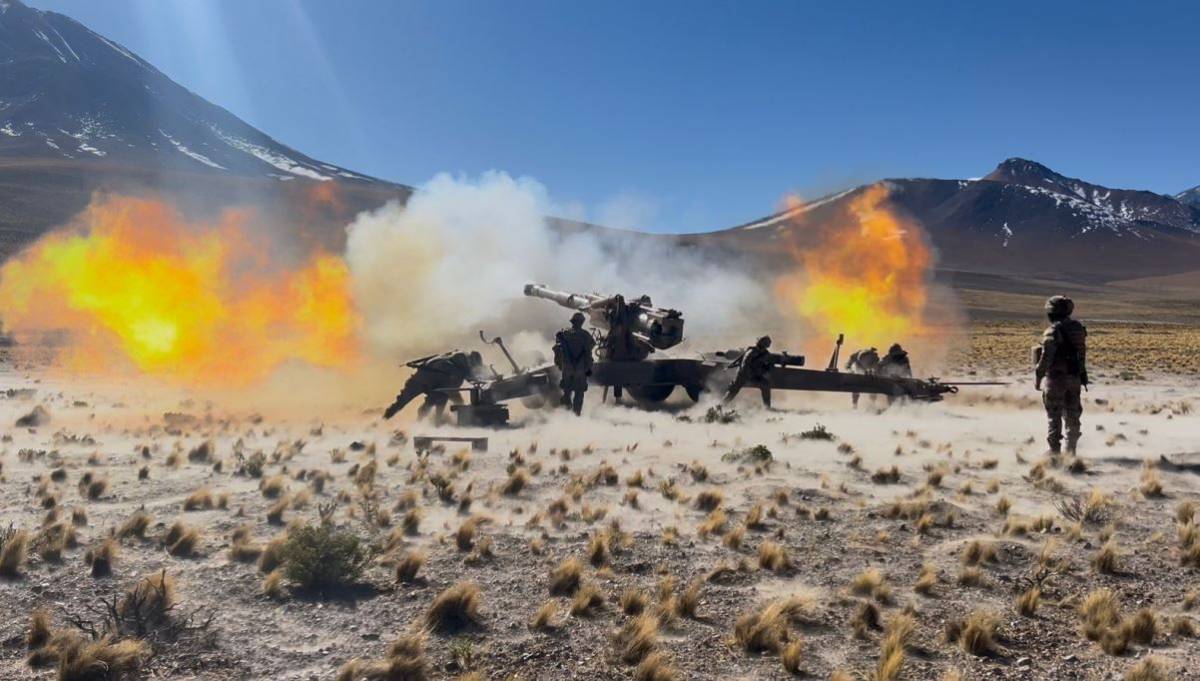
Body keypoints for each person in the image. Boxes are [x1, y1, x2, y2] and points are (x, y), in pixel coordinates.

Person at [1034, 295, 1088, 455]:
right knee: (1073, 416)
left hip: (1056, 379)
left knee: (1054, 415)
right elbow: (1082, 354)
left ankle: (1054, 452)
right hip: (1074, 378)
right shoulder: (1078, 329)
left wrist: (1038, 377)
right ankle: (1071, 452)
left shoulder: (1052, 331)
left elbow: (1046, 359)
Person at [383, 350, 485, 422]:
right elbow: (451, 391)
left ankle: (383, 420)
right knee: (439, 401)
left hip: (419, 380)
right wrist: (462, 407)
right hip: (429, 384)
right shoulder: (455, 371)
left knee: (400, 403)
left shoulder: (448, 358)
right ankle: (426, 425)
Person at [554, 312, 595, 415]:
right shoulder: (586, 336)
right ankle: (576, 416)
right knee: (579, 393)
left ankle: (566, 414)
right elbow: (589, 354)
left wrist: (559, 365)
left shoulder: (563, 334)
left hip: (567, 368)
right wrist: (589, 367)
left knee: (567, 392)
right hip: (580, 369)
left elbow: (557, 351)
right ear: (582, 322)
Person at [723, 336, 779, 408]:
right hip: (743, 374)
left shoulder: (766, 354)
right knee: (734, 389)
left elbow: (770, 365)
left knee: (766, 385)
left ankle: (767, 407)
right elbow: (745, 366)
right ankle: (722, 405)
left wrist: (766, 369)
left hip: (754, 376)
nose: (768, 344)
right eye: (767, 343)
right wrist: (753, 374)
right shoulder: (751, 352)